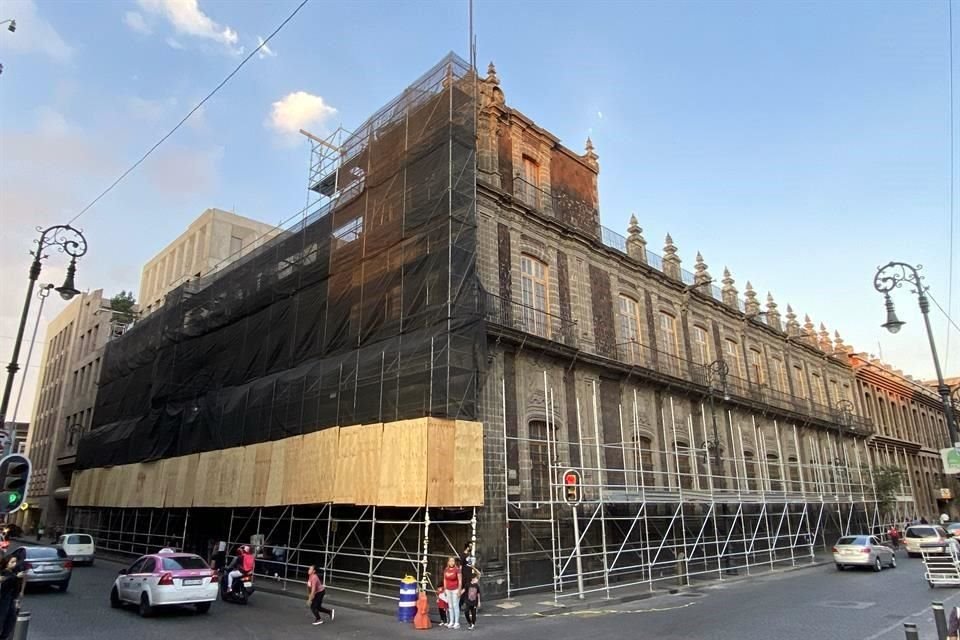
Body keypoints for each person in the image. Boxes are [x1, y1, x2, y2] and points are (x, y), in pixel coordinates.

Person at [0, 555, 24, 640]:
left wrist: (17, 598)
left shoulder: (14, 573)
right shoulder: (4, 573)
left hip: (10, 599)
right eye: (12, 562)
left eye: (15, 562)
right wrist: (16, 577)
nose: (15, 564)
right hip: (3, 598)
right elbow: (5, 583)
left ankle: (4, 637)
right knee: (2, 618)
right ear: (6, 563)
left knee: (11, 618)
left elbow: (17, 588)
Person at [443, 556, 462, 629]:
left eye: (453, 561)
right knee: (450, 606)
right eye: (450, 561)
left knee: (455, 605)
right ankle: (451, 621)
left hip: (455, 589)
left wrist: (459, 590)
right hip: (448, 589)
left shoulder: (457, 570)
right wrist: (445, 589)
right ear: (448, 562)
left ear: (455, 562)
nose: (451, 562)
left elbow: (460, 581)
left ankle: (456, 622)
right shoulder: (446, 569)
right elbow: (444, 579)